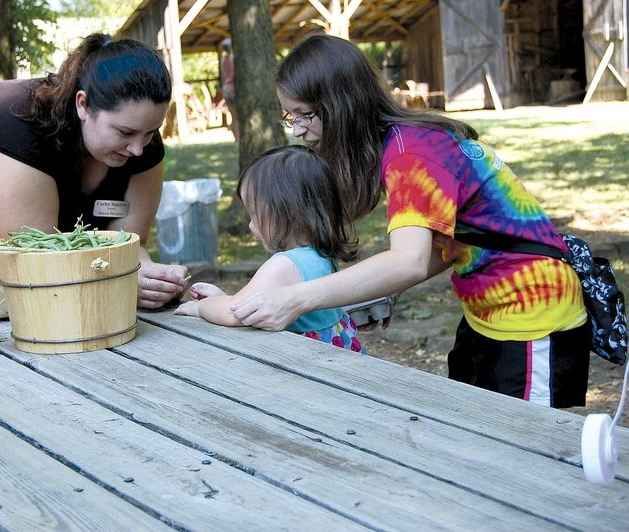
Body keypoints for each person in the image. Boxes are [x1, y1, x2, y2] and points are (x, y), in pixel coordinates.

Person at [231, 34, 590, 408]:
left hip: (534, 313)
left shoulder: (410, 154)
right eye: (291, 116)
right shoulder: (405, 143)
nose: (298, 130)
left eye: (306, 114)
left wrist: (296, 299)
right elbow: (457, 243)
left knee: (525, 443)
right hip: (491, 313)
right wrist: (381, 291)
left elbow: (409, 261)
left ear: (342, 104)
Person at [0, 33, 189, 323]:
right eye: (125, 132)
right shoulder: (13, 123)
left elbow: (127, 243)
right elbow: (36, 259)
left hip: (64, 279)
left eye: (150, 132)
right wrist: (119, 275)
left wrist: (146, 273)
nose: (138, 149)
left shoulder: (141, 142)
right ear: (83, 105)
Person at [173, 145, 365, 353]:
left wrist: (202, 308)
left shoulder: (284, 264)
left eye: (254, 214)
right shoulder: (321, 254)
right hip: (335, 356)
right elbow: (254, 306)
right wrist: (221, 297)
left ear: (287, 212)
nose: (250, 225)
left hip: (305, 364)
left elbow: (234, 313)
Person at [219, 38, 238, 141]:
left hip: (226, 90)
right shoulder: (233, 59)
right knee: (237, 118)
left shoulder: (223, 60)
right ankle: (239, 140)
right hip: (234, 90)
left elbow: (224, 76)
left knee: (233, 117)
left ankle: (236, 140)